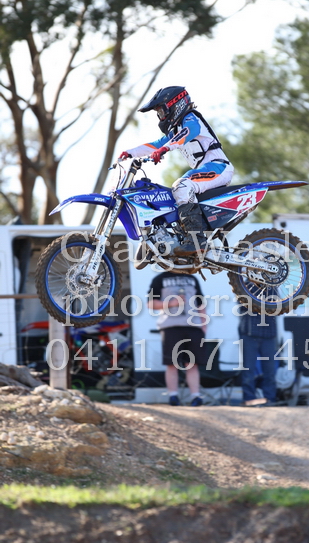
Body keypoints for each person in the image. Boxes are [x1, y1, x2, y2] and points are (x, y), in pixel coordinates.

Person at [118, 86, 234, 256]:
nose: (161, 116)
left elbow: (188, 132)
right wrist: (130, 153)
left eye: (162, 110)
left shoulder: (191, 118)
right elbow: (156, 145)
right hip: (206, 169)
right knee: (170, 195)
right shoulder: (176, 130)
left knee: (181, 186)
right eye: (158, 113)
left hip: (218, 167)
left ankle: (196, 240)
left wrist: (165, 149)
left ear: (176, 105)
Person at [147, 270, 208, 406]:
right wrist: (172, 303)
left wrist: (204, 325)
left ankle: (195, 397)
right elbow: (150, 304)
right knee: (172, 363)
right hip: (170, 326)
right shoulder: (160, 278)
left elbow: (200, 303)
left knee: (192, 364)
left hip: (193, 326)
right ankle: (173, 396)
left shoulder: (192, 278)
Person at [238, 306, 278, 406]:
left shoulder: (273, 294)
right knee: (248, 369)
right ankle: (249, 399)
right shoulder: (245, 293)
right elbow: (245, 304)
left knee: (270, 370)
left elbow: (277, 307)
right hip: (249, 333)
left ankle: (270, 399)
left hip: (269, 334)